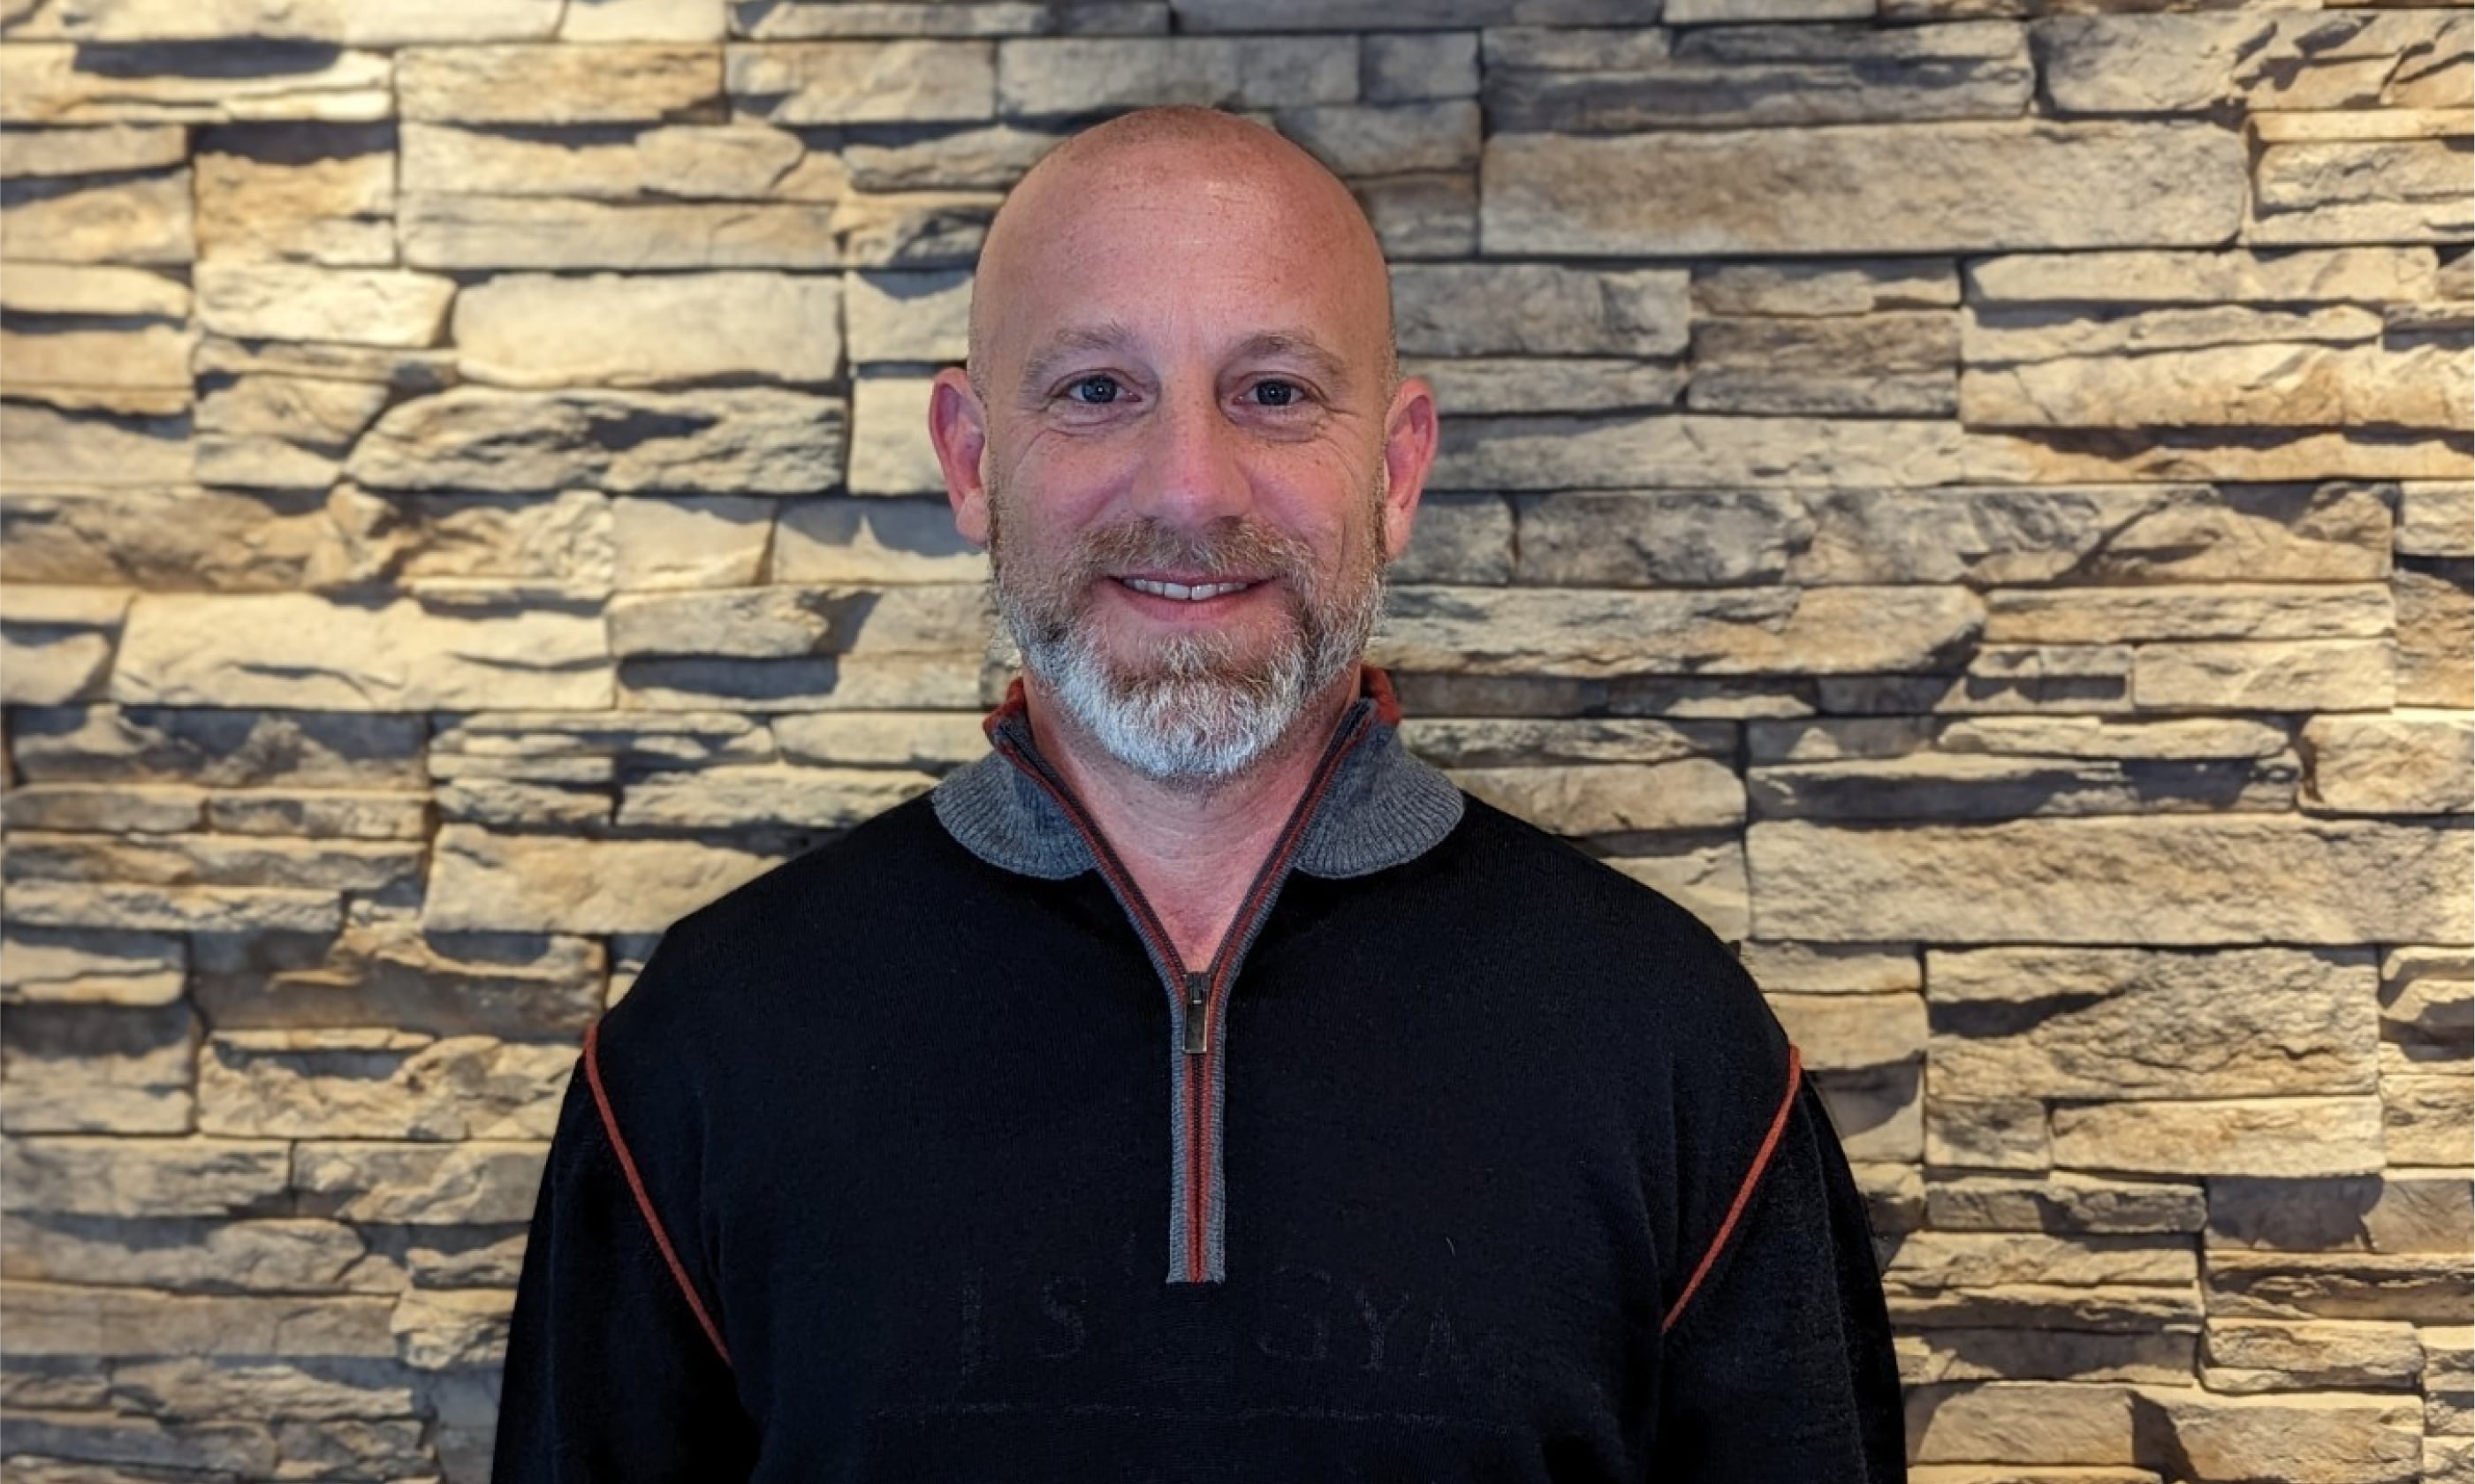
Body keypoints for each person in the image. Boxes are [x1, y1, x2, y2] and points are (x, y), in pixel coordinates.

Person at [492, 106, 1904, 1482]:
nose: (1186, 488)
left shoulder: (1667, 1041)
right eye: (1096, 390)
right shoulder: (707, 1042)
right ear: (973, 460)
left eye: (1272, 393)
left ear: (1394, 470)